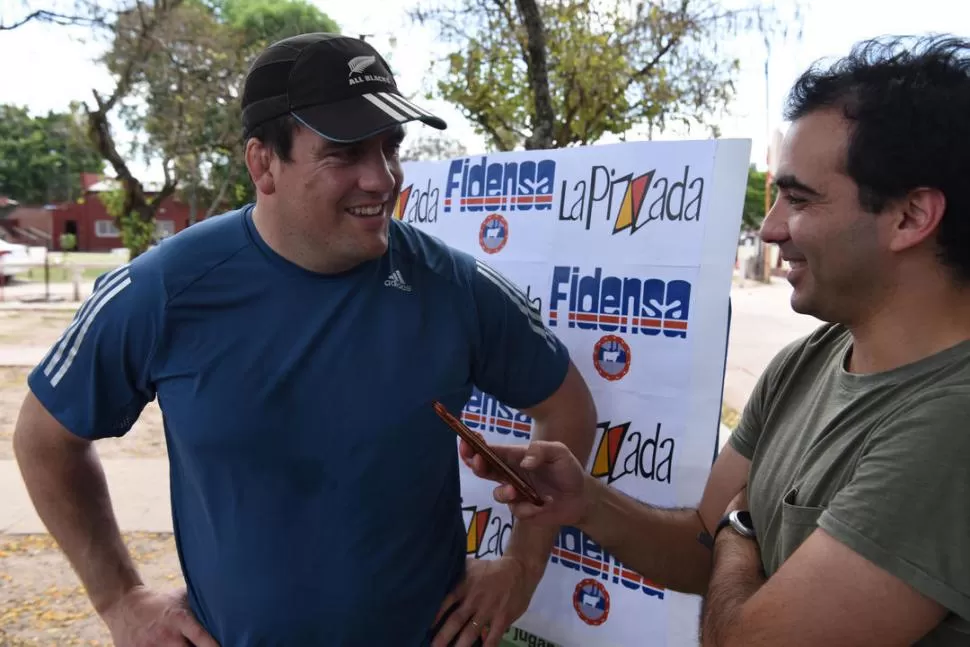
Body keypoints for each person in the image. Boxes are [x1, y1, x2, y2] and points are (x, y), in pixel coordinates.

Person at [12, 33, 597, 647]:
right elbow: (45, 439)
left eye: (390, 146)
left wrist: (523, 566)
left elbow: (565, 405)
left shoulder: (452, 284)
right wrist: (119, 598)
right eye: (344, 153)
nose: (383, 177)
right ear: (263, 163)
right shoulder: (163, 290)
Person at [461, 34, 970, 646]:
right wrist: (587, 503)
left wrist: (739, 531)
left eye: (800, 198)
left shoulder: (951, 422)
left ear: (911, 217)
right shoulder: (808, 361)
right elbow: (702, 540)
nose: (773, 226)